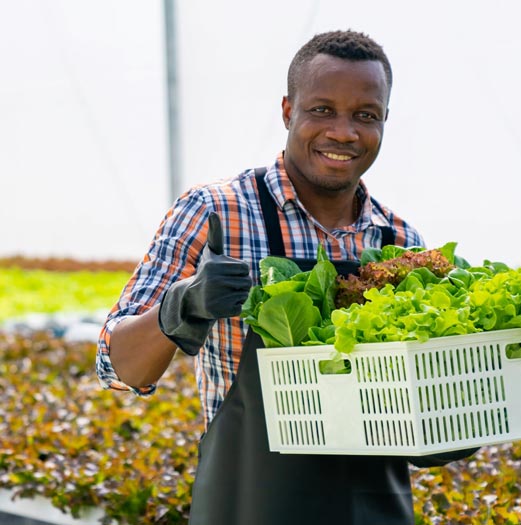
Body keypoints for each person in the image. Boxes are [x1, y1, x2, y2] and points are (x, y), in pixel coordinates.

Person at [97, 29, 476, 525]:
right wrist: (180, 307)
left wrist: (454, 417)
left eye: (366, 115)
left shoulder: (399, 241)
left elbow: (418, 421)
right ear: (287, 111)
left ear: (384, 122)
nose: (344, 132)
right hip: (248, 506)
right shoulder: (217, 212)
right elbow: (117, 367)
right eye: (322, 109)